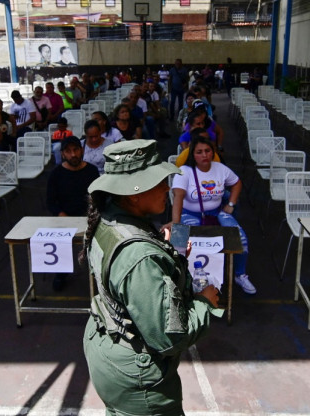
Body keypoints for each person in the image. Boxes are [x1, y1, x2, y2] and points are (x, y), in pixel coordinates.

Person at [82, 139, 221, 415]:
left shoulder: (109, 219)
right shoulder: (141, 257)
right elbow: (168, 339)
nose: (167, 188)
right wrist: (206, 303)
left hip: (107, 348)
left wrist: (166, 252)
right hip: (138, 379)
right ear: (134, 193)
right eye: (159, 182)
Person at [171, 136, 257, 294]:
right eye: (199, 152)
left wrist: (231, 204)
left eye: (207, 151)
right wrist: (176, 223)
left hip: (217, 212)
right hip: (190, 213)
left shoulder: (220, 169)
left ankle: (239, 274)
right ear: (192, 154)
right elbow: (178, 197)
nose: (204, 155)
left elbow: (237, 183)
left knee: (241, 238)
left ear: (213, 152)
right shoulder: (184, 171)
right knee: (179, 243)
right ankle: (182, 279)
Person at [45, 136, 99, 290]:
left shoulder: (92, 171)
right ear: (62, 154)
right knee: (59, 239)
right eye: (68, 151)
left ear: (81, 150)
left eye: (75, 150)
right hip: (65, 217)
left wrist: (92, 215)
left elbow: (99, 197)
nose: (73, 154)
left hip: (89, 216)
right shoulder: (56, 174)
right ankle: (60, 273)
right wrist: (61, 214)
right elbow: (50, 202)